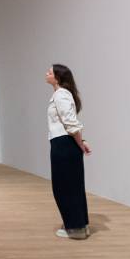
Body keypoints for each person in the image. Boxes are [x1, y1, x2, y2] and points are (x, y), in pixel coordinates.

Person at [46, 63, 92, 240]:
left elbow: (70, 123)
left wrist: (81, 143)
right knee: (73, 185)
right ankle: (80, 225)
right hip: (66, 143)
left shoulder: (61, 94)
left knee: (63, 186)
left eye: (49, 72)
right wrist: (82, 141)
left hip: (63, 144)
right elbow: (71, 122)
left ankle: (75, 228)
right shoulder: (63, 94)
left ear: (57, 77)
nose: (46, 74)